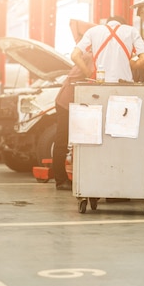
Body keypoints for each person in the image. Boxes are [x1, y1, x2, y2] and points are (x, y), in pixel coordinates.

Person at [53, 50, 93, 191]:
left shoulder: (90, 55)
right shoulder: (90, 57)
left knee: (68, 141)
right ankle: (60, 180)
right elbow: (83, 77)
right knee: (62, 142)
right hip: (66, 103)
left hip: (70, 102)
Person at [71, 16, 144, 83]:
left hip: (101, 84)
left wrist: (89, 74)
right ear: (123, 25)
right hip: (125, 85)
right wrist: (131, 66)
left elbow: (75, 56)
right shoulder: (131, 31)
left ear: (107, 23)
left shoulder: (92, 31)